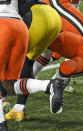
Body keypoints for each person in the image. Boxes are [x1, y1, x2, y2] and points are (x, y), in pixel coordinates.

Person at [5, 0, 83, 121]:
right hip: (51, 16)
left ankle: (49, 85)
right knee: (31, 58)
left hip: (36, 18)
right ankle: (18, 108)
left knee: (11, 64)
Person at [0, 0, 66, 130]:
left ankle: (2, 124)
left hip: (6, 24)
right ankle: (48, 85)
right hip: (21, 26)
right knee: (10, 83)